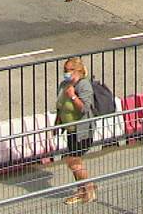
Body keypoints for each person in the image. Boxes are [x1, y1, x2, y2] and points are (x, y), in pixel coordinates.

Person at [56, 57, 97, 204]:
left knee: (73, 162)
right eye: (64, 70)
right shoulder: (64, 85)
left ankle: (88, 188)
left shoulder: (83, 85)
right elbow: (60, 106)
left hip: (82, 131)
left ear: (77, 71)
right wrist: (58, 124)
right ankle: (82, 190)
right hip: (70, 130)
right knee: (74, 161)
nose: (65, 73)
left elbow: (85, 108)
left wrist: (73, 95)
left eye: (68, 70)